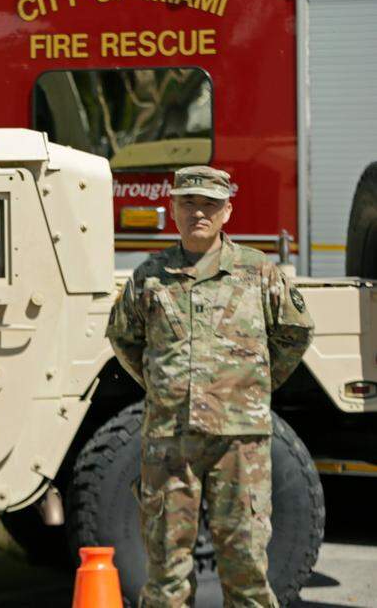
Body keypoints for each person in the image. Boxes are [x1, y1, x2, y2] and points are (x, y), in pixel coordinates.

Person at [106, 166, 314, 607]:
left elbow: (294, 333)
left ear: (227, 212)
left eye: (210, 204)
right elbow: (125, 338)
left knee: (247, 568)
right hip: (170, 443)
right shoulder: (150, 276)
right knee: (165, 575)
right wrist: (165, 385)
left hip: (241, 443)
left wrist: (253, 385)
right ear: (173, 209)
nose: (199, 212)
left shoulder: (259, 273)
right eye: (189, 202)